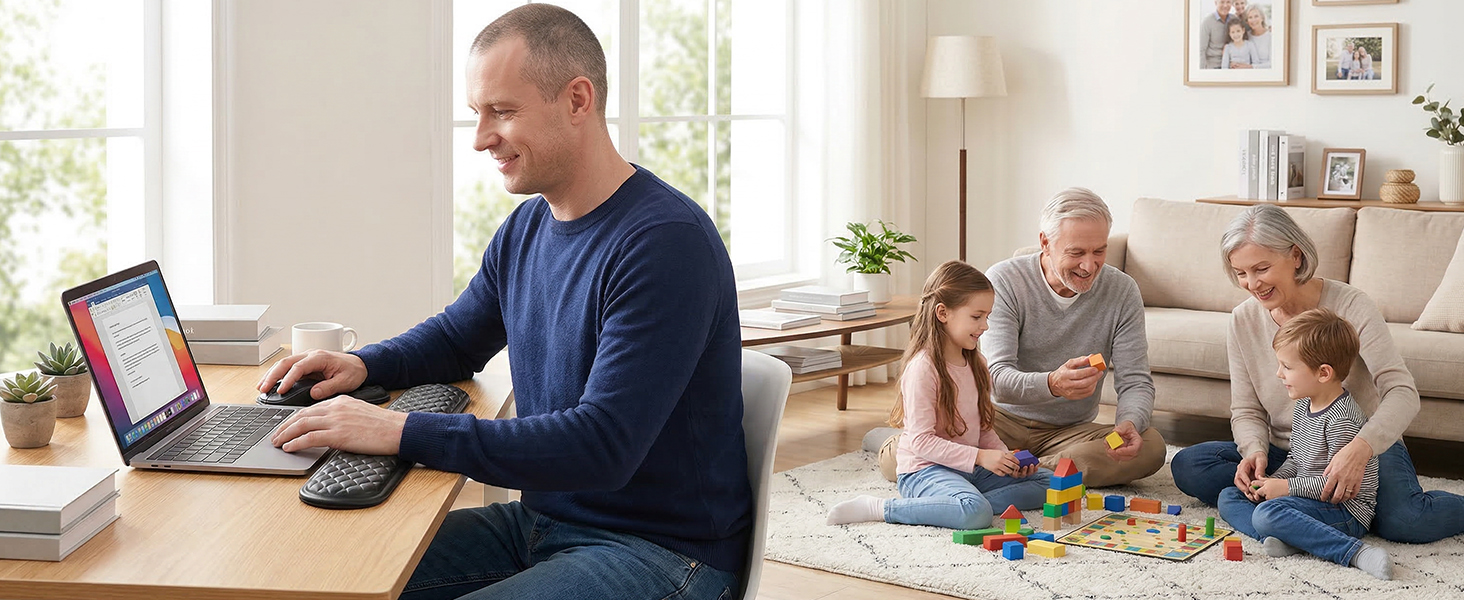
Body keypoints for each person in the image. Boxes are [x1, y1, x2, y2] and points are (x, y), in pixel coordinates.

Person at [259, 5, 748, 599]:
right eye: (477, 114)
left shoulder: (664, 244)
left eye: (503, 112)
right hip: (542, 525)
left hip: (661, 554)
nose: (481, 138)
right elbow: (457, 338)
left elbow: (603, 447)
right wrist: (365, 365)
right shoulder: (526, 230)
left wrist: (399, 430)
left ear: (577, 100)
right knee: (316, 575)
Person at [1171, 204, 1464, 545]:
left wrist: (1360, 447)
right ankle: (1301, 518)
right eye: (1241, 273)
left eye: (1262, 268)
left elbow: (1402, 392)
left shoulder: (1352, 305)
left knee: (1406, 522)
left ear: (1295, 256)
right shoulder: (1242, 320)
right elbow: (1247, 409)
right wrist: (1254, 451)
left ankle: (1300, 520)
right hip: (1293, 455)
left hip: (1360, 448)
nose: (1252, 284)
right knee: (1190, 466)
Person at [877, 189, 1166, 489]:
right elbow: (997, 378)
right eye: (1077, 252)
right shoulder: (1005, 281)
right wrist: (1052, 384)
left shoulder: (1122, 291)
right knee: (898, 456)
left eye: (1099, 251)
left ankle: (1023, 470)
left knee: (1151, 445)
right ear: (1045, 242)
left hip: (1069, 431)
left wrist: (1130, 423)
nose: (1089, 266)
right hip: (997, 421)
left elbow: (1136, 381)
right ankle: (1025, 473)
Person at [827, 261, 1052, 529]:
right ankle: (880, 507)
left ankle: (958, 504)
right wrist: (980, 457)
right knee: (975, 514)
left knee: (1048, 483)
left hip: (968, 469)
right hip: (924, 470)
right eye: (977, 316)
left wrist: (1005, 459)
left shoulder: (977, 363)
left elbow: (983, 429)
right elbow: (921, 442)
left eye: (987, 317)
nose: (985, 326)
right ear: (943, 313)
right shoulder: (923, 369)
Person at [1217, 308, 1392, 579]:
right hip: (1306, 499)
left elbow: (1337, 488)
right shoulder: (1303, 406)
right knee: (1228, 496)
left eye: (1287, 367)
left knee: (1268, 514)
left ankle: (1355, 552)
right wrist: (1268, 482)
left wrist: (1285, 488)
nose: (1278, 374)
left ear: (1323, 373)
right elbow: (1296, 461)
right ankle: (1290, 539)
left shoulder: (1342, 420)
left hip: (1344, 510)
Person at [1199, 0, 1235, 69]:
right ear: (1216, 3)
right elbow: (1202, 49)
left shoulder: (1234, 19)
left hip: (1231, 65)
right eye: (1222, 2)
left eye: (1228, 2)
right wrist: (1202, 71)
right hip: (1213, 65)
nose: (1225, 5)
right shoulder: (1208, 21)